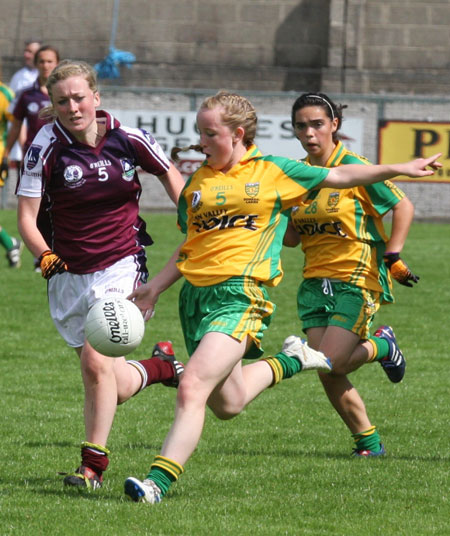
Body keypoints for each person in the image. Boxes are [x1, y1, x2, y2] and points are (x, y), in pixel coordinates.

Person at [122, 90, 440, 504]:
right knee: (227, 403)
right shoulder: (199, 183)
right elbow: (191, 246)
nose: (201, 142)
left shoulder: (274, 170)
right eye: (199, 133)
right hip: (195, 300)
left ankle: (155, 484)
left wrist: (404, 167)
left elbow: (341, 177)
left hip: (242, 296)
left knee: (192, 387)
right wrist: (154, 288)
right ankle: (295, 358)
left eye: (210, 133)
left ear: (237, 134)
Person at [15, 59, 186, 490]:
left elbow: (170, 174)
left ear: (96, 97)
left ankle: (92, 466)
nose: (72, 107)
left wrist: (192, 216)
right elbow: (27, 218)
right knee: (110, 381)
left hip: (122, 264)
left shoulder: (127, 138)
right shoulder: (45, 146)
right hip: (68, 274)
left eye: (78, 97)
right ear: (52, 107)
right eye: (62, 101)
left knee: (95, 363)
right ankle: (162, 368)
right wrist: (45, 255)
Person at [283, 92, 421, 457]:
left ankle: (382, 345)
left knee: (332, 360)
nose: (310, 133)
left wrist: (392, 255)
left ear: (334, 125)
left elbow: (403, 205)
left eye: (317, 124)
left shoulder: (354, 167)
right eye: (302, 125)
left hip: (356, 276)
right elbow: (292, 239)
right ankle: (368, 443)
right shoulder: (297, 176)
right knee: (324, 368)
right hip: (314, 281)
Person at [2, 45, 59, 271]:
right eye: (42, 61)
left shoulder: (64, 93)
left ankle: (60, 251)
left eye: (50, 61)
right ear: (36, 64)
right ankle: (41, 256)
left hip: (62, 159)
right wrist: (6, 153)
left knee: (60, 206)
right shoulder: (27, 95)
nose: (46, 66)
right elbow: (15, 125)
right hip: (34, 161)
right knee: (34, 208)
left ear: (57, 63)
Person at [0, 74, 22, 267]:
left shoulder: (5, 94)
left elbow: (16, 123)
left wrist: (6, 155)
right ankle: (10, 243)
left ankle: (10, 243)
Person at [7, 39, 41, 165]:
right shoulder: (19, 77)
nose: (26, 55)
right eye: (26, 51)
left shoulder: (49, 79)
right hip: (22, 142)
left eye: (31, 52)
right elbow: (16, 115)